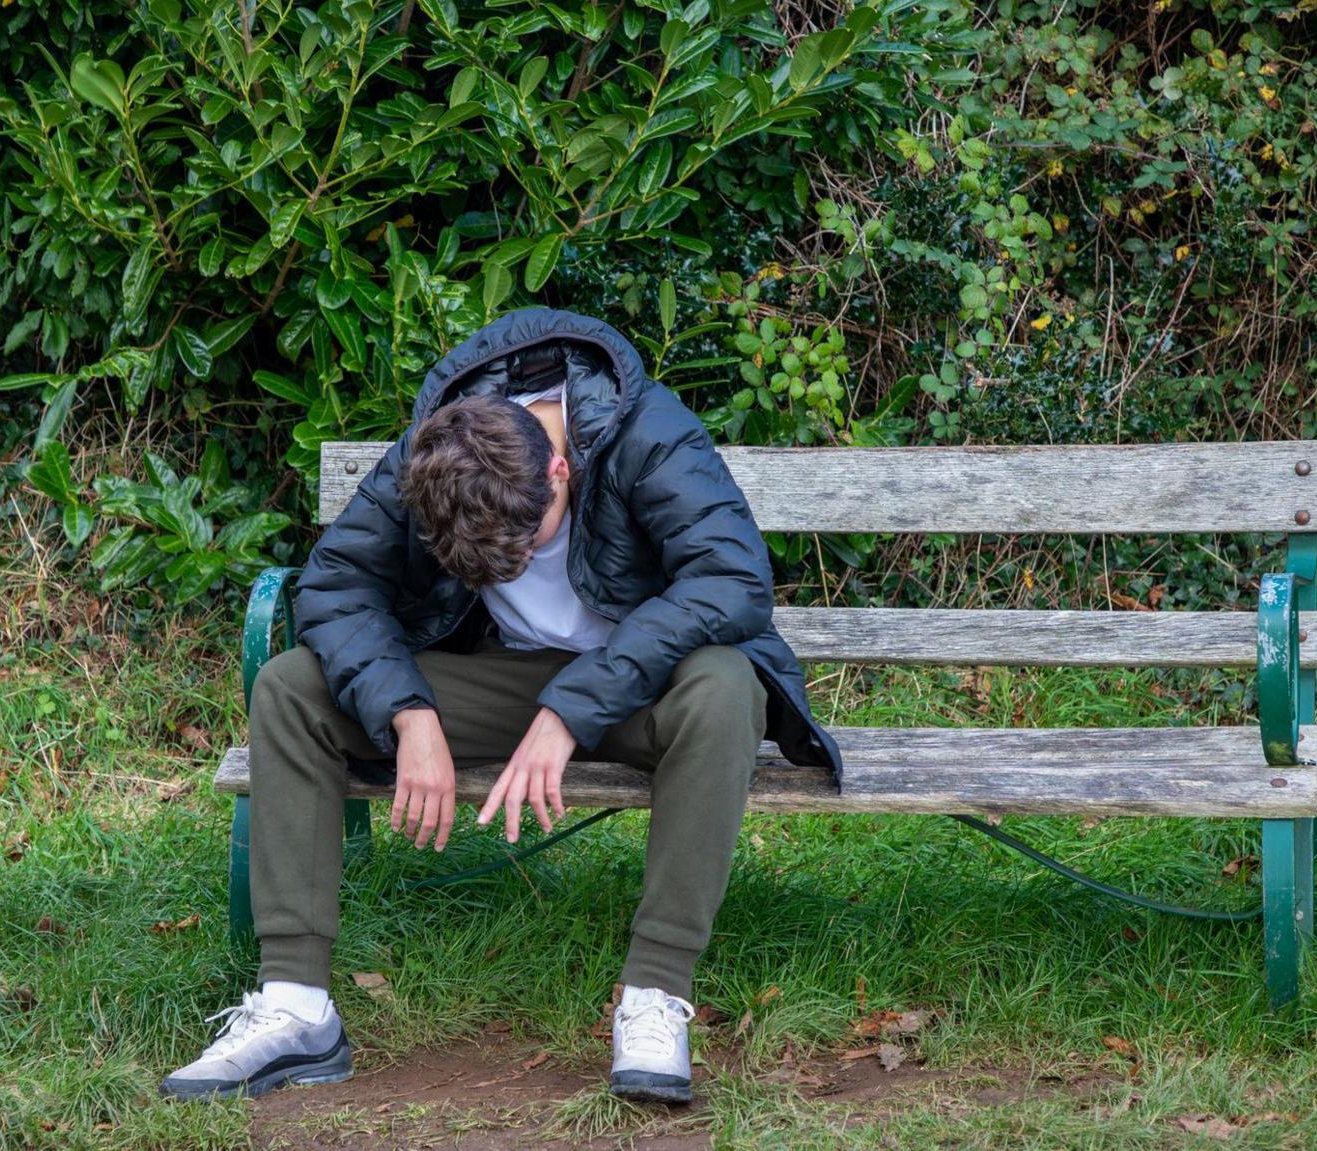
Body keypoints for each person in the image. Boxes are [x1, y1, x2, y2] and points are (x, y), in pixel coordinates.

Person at [160, 308, 840, 1104]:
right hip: (500, 681)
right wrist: (409, 712)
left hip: (640, 687)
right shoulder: (436, 447)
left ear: (559, 472)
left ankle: (655, 993)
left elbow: (732, 582)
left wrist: (570, 710)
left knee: (727, 684)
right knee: (290, 687)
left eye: (522, 551)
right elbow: (337, 583)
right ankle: (295, 1008)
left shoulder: (645, 430)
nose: (508, 575)